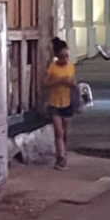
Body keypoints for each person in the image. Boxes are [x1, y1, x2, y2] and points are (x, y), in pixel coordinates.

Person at [43, 37, 76, 170]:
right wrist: (57, 81)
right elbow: (44, 83)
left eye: (67, 56)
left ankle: (64, 152)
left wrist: (69, 83)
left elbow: (74, 84)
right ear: (57, 56)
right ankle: (60, 157)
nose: (65, 59)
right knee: (58, 131)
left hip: (67, 102)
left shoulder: (71, 67)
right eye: (62, 57)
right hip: (54, 103)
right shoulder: (52, 67)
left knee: (65, 132)